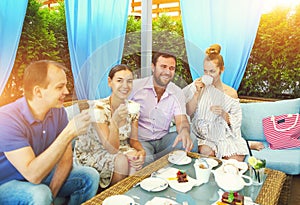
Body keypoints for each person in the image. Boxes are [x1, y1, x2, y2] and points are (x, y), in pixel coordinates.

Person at [0, 60, 99, 205]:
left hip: (42, 173)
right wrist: (68, 133)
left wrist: (52, 195)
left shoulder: (58, 112)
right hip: (6, 182)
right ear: (38, 92)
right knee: (40, 194)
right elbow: (33, 175)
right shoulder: (7, 119)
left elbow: (66, 159)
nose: (66, 91)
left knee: (90, 176)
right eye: (60, 87)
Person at [74, 64, 146, 189]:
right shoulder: (98, 108)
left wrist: (142, 151)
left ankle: (128, 193)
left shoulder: (133, 107)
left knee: (135, 157)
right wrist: (114, 121)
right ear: (109, 82)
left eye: (129, 81)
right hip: (93, 151)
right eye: (119, 80)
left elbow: (134, 140)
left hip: (118, 148)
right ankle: (112, 196)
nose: (125, 86)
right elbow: (111, 149)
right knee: (122, 161)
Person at [183, 44, 249, 162]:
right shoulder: (197, 85)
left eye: (212, 71)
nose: (208, 75)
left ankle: (248, 145)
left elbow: (236, 120)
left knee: (236, 159)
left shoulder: (231, 93)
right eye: (205, 71)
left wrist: (223, 114)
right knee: (207, 154)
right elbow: (188, 111)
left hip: (223, 132)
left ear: (221, 69)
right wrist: (197, 93)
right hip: (203, 133)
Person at [129, 52, 195, 166]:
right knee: (146, 162)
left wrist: (184, 131)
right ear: (153, 67)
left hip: (163, 140)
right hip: (140, 141)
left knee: (190, 139)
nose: (167, 72)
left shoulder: (177, 92)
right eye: (163, 66)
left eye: (171, 68)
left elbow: (181, 120)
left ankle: (184, 178)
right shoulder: (135, 87)